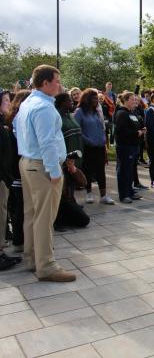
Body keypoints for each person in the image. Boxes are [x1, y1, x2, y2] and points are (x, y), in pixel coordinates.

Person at [14, 65, 75, 282]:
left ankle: (32, 259)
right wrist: (54, 170)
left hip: (28, 162)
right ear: (46, 82)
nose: (60, 84)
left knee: (32, 215)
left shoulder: (28, 103)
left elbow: (16, 129)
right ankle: (46, 266)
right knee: (44, 218)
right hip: (42, 166)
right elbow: (47, 141)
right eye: (57, 80)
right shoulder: (44, 108)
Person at [53, 92, 90, 229]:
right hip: (63, 158)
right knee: (61, 190)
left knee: (72, 186)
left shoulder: (69, 115)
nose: (72, 102)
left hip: (74, 157)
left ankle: (70, 206)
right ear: (61, 102)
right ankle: (58, 219)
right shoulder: (57, 116)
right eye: (68, 100)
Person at [74, 89, 114, 205]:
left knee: (100, 170)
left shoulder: (96, 112)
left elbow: (101, 127)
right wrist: (88, 140)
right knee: (87, 170)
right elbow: (77, 130)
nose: (96, 101)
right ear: (87, 99)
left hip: (100, 146)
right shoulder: (79, 112)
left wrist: (103, 140)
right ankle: (89, 193)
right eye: (93, 99)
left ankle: (103, 195)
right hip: (88, 147)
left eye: (97, 99)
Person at [6, 90, 30, 255]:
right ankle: (19, 240)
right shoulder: (16, 120)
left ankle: (22, 239)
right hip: (15, 168)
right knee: (19, 206)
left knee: (22, 206)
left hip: (19, 167)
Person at [0, 91, 22, 270]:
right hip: (2, 176)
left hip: (5, 177)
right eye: (6, 100)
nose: (9, 103)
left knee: (3, 212)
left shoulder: (3, 124)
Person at [115, 92, 146, 203]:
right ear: (126, 100)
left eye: (135, 99)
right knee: (124, 171)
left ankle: (130, 191)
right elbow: (120, 131)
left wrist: (142, 129)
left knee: (129, 171)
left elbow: (137, 124)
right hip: (125, 146)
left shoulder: (131, 113)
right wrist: (136, 133)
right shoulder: (121, 113)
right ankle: (124, 195)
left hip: (133, 146)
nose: (135, 101)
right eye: (133, 99)